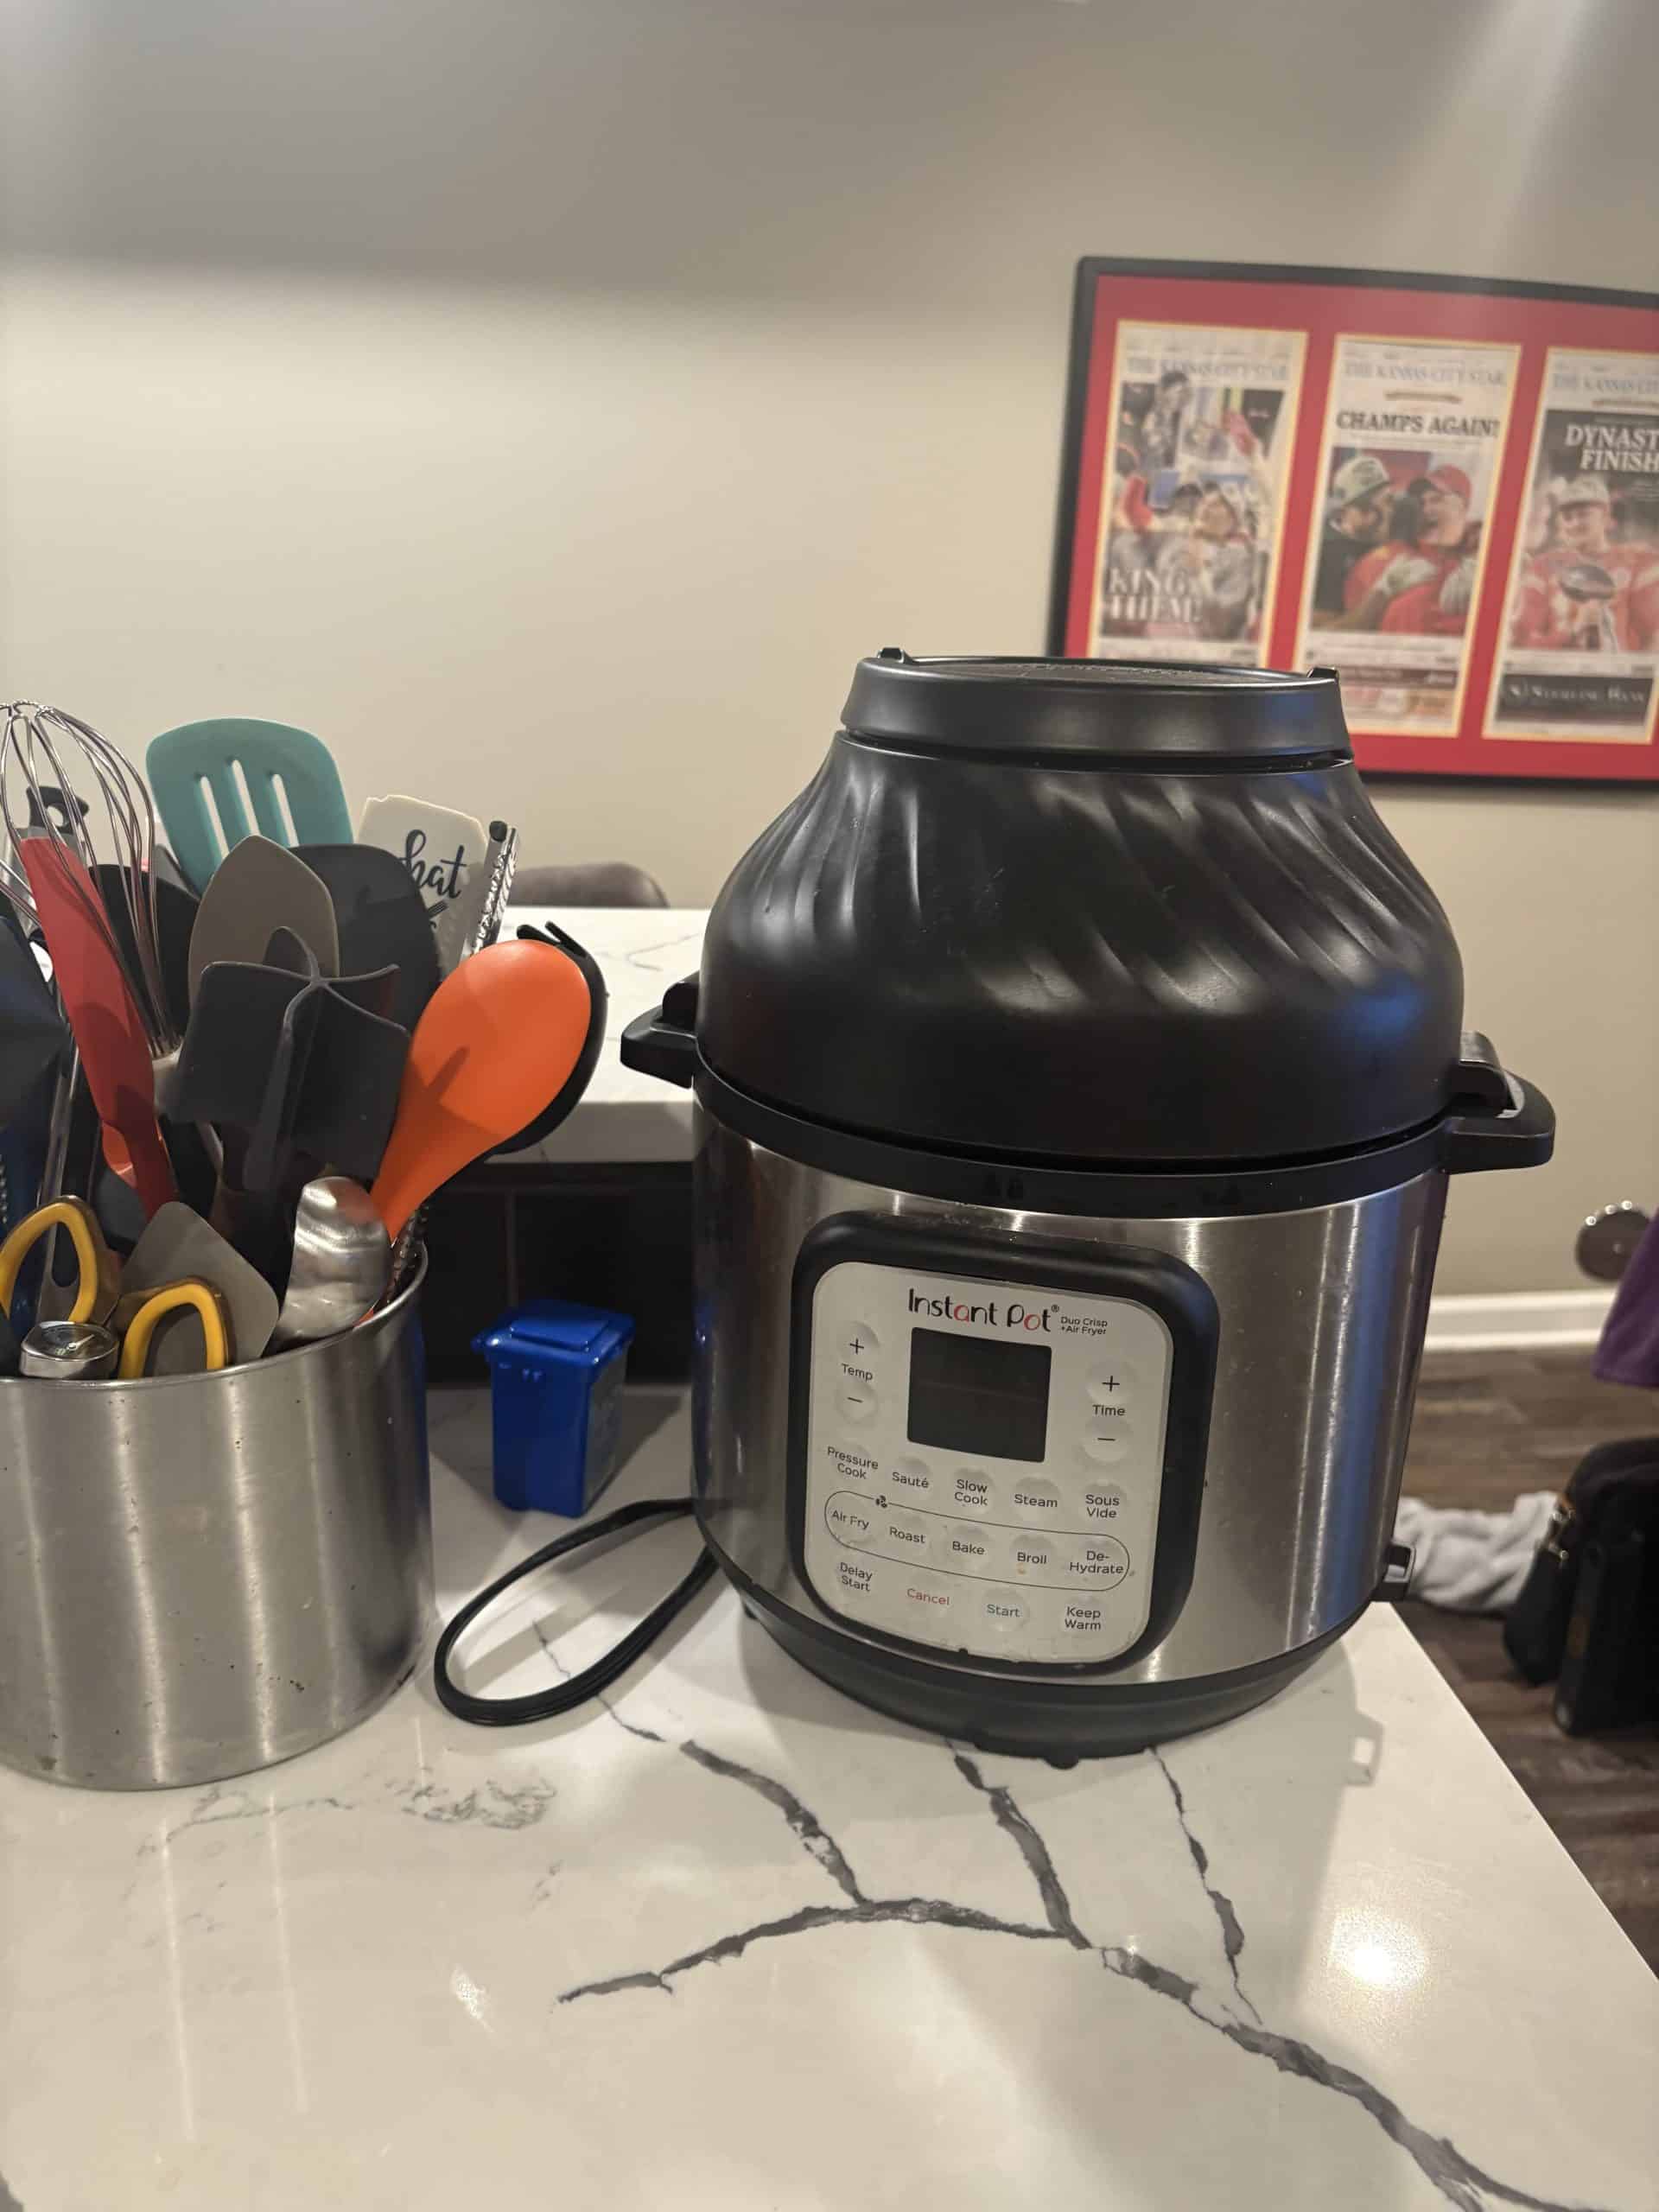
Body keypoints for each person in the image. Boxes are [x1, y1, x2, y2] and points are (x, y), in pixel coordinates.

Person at [1510, 475, 1659, 652]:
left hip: (1618, 673)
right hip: (1555, 672)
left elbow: (1653, 634)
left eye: (1583, 515)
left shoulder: (1637, 561)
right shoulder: (1543, 566)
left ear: (1605, 516)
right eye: (1567, 517)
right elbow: (1523, 637)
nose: (1574, 524)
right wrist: (1572, 630)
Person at [1312, 453, 1396, 618]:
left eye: (1388, 501)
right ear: (1342, 511)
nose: (1386, 515)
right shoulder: (1321, 552)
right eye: (1367, 508)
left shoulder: (1394, 537)